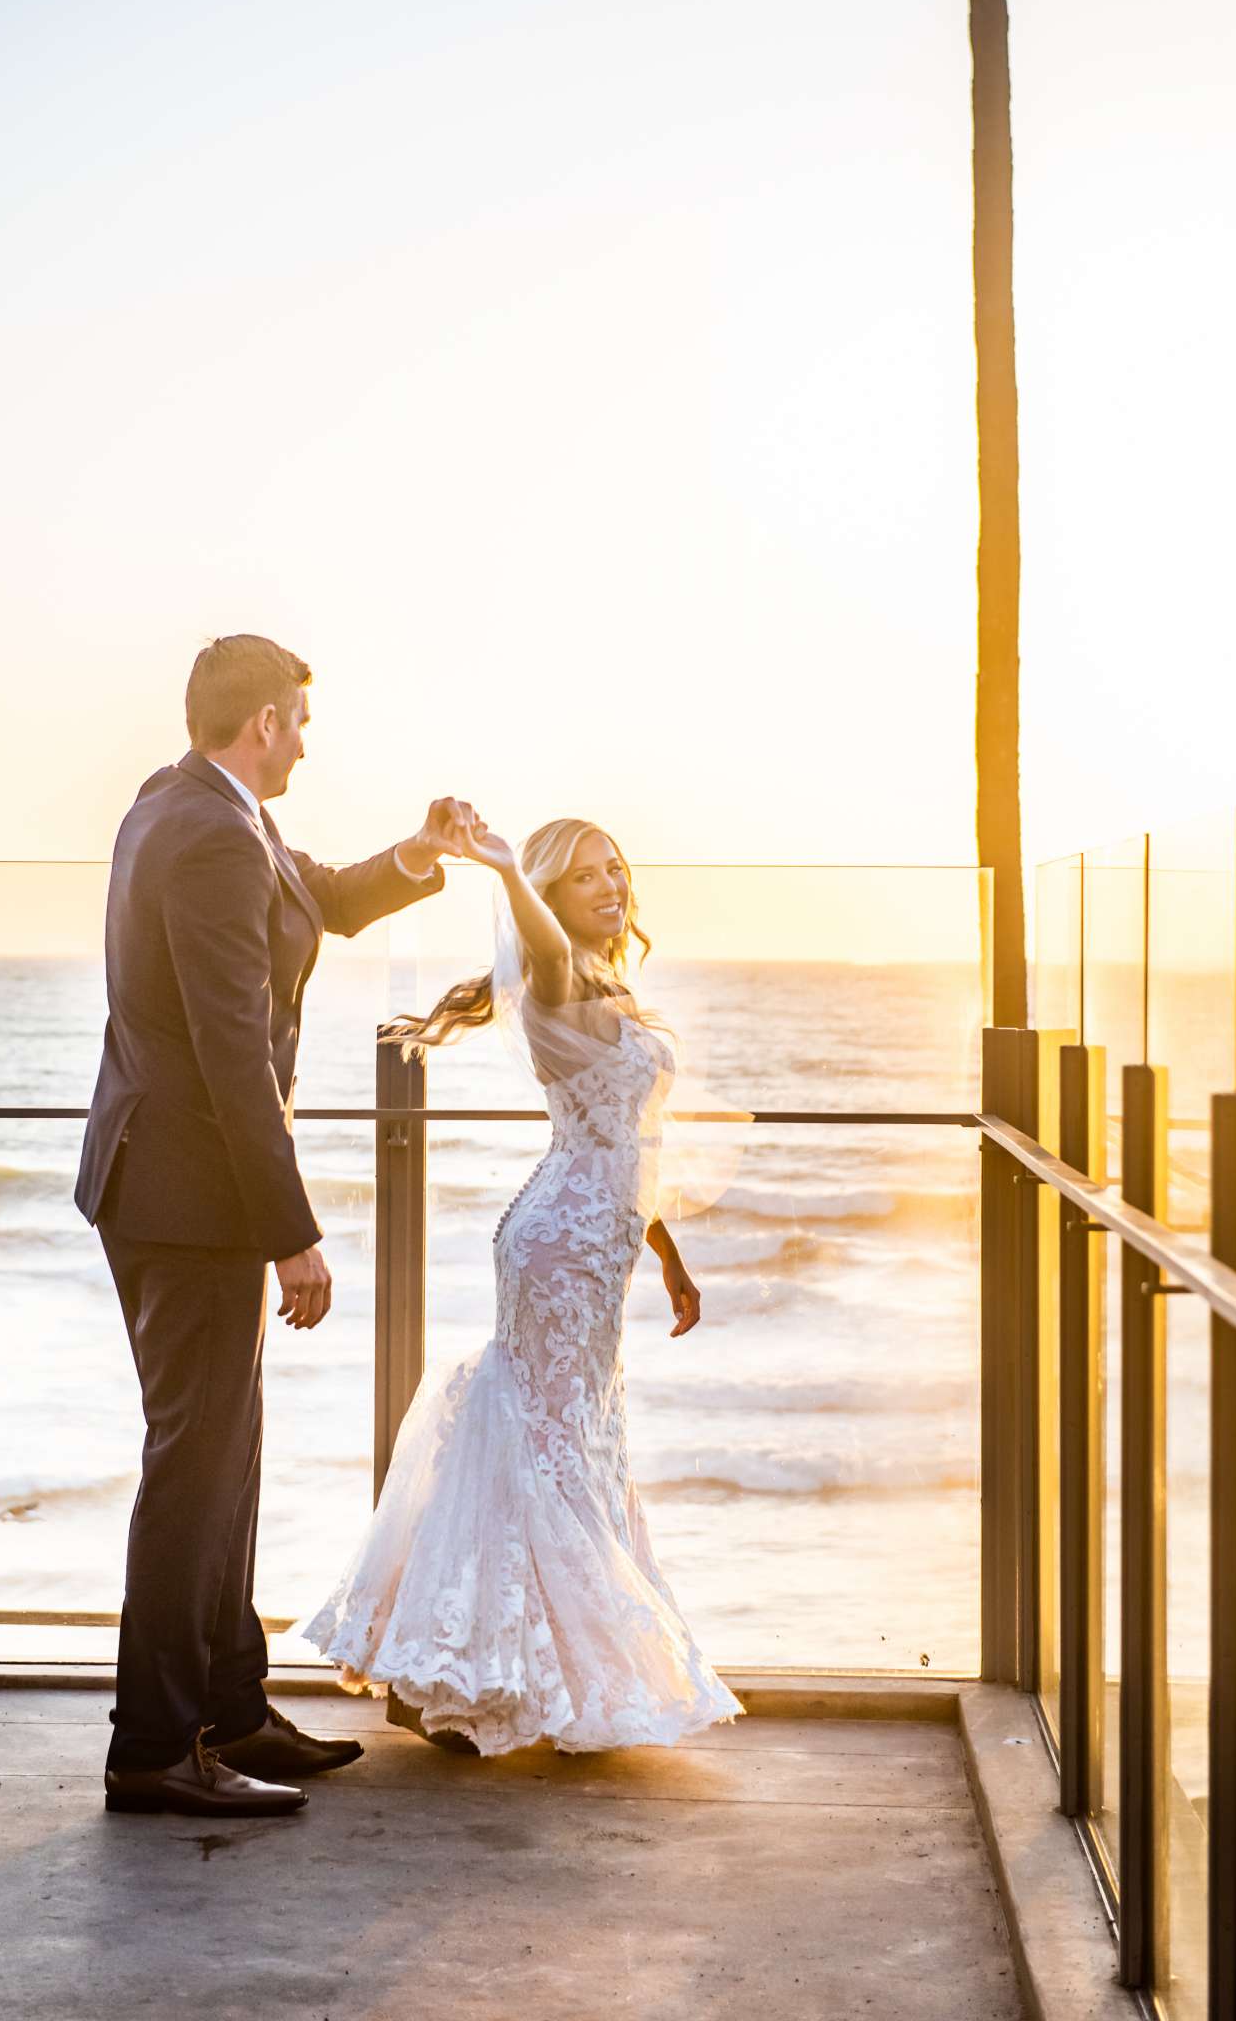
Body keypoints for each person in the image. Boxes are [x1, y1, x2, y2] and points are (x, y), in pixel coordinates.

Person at [76, 632, 477, 1818]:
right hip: (185, 1196)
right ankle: (153, 1747)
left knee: (223, 1458)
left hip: (174, 1187)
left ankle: (229, 1707)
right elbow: (229, 1053)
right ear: (260, 723)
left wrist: (419, 851)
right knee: (193, 1470)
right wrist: (289, 1228)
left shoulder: (198, 806)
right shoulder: (204, 833)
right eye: (299, 718)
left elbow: (322, 898)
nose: (307, 737)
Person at [306, 814, 745, 1755]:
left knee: (574, 1438)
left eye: (613, 868)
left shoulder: (606, 984)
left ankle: (495, 1671)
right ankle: (477, 1677)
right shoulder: (557, 977)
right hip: (558, 1247)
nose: (608, 885)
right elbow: (544, 954)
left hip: (600, 1239)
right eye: (582, 877)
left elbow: (628, 1141)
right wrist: (508, 871)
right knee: (545, 1442)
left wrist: (666, 1251)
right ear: (549, 902)